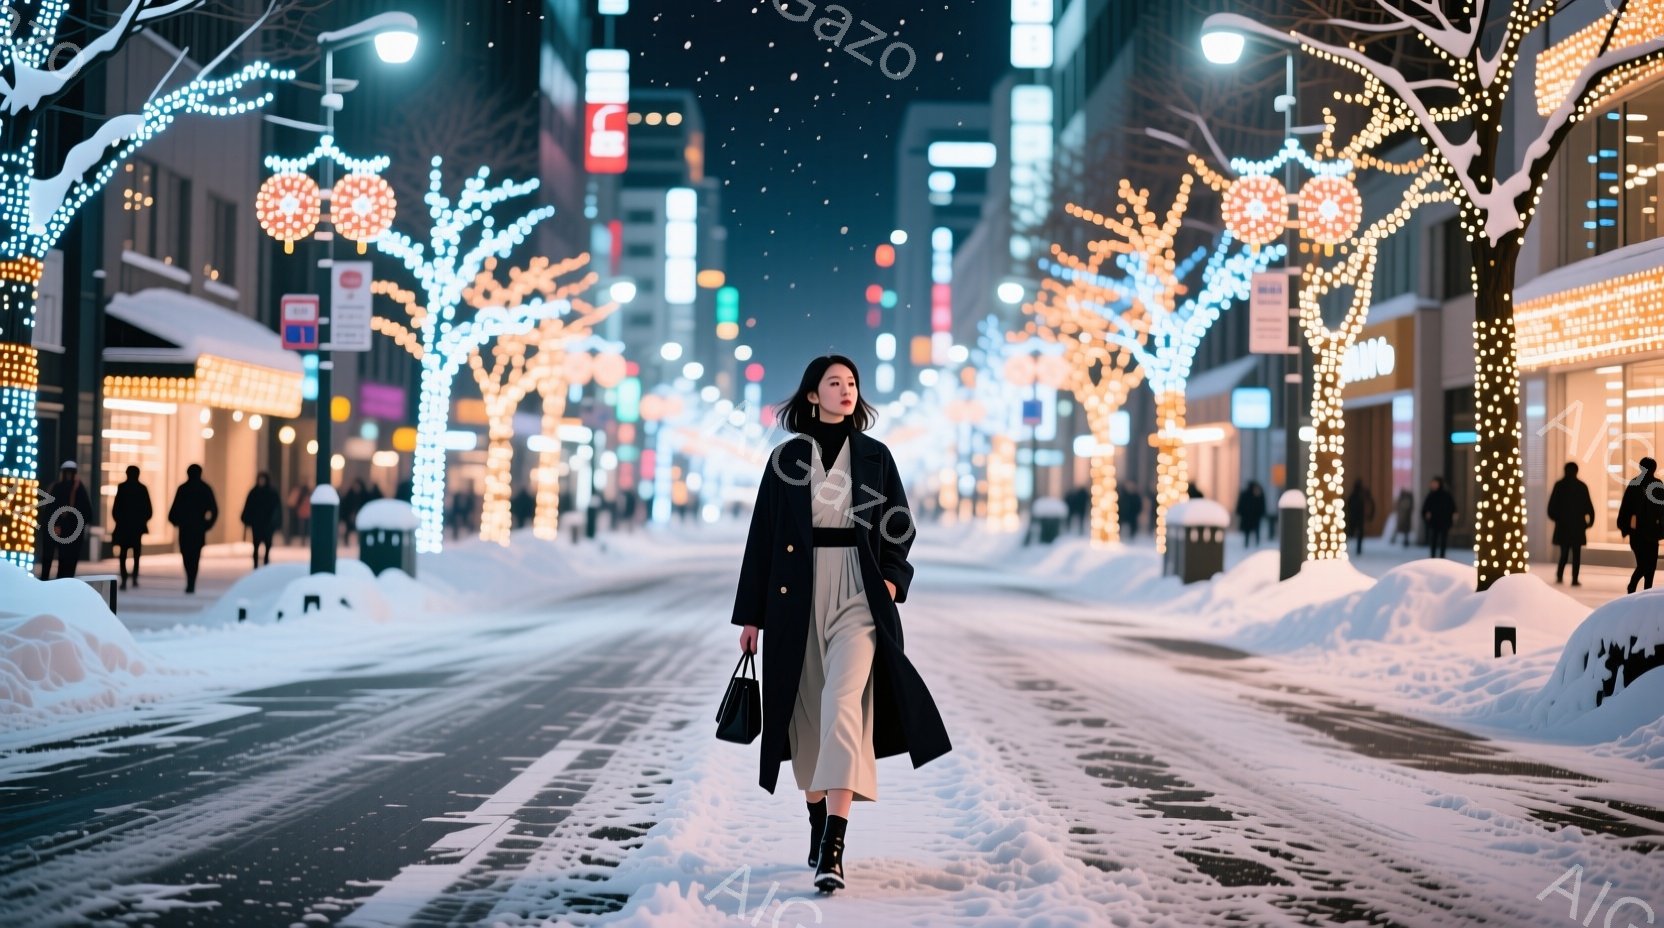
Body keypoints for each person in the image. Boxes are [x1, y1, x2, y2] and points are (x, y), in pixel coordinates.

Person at [731, 354, 950, 896]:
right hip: (797, 596)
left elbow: (899, 525)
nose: (846, 390)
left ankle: (834, 843)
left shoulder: (874, 456)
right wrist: (751, 615)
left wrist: (892, 580)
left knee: (843, 703)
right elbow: (762, 537)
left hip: (858, 591)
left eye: (851, 382)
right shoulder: (787, 459)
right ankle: (815, 819)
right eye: (834, 383)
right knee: (806, 716)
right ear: (813, 394)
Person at [39, 460, 93, 580]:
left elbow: (86, 513)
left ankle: (61, 582)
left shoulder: (78, 490)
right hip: (60, 530)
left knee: (67, 562)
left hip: (70, 532)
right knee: (51, 558)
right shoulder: (57, 487)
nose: (68, 476)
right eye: (66, 473)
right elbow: (49, 510)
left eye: (70, 473)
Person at [168, 464, 218, 594]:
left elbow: (174, 510)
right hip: (198, 529)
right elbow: (214, 509)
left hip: (186, 528)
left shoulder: (183, 489)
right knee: (194, 556)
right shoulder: (204, 489)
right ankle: (191, 580)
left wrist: (176, 521)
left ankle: (190, 580)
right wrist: (207, 524)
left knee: (186, 555)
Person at [1618, 456, 1664, 594]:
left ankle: (1634, 587)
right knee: (1649, 564)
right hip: (1652, 531)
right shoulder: (1657, 484)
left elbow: (1625, 508)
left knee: (1644, 563)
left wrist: (1625, 527)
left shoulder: (1634, 484)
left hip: (1637, 531)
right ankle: (1642, 589)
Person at [1547, 461, 1595, 586]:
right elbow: (1589, 506)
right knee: (1576, 554)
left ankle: (1560, 575)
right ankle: (1574, 579)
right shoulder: (1581, 486)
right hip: (1578, 526)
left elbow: (1551, 507)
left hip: (1563, 526)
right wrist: (1590, 522)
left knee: (1564, 553)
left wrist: (1558, 519)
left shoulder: (1559, 486)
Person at [110, 465, 153, 589]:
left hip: (124, 526)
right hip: (137, 527)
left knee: (123, 554)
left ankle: (124, 578)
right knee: (136, 553)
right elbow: (148, 510)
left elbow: (116, 508)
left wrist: (119, 520)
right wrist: (142, 521)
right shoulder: (142, 488)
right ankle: (134, 577)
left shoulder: (122, 487)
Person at [240, 471, 283, 570]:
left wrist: (276, 522)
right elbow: (248, 507)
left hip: (268, 525)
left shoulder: (272, 493)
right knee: (256, 545)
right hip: (257, 524)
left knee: (267, 545)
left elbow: (277, 509)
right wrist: (247, 519)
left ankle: (265, 565)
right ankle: (255, 566)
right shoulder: (254, 492)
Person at [1422, 476, 1457, 559]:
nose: (1433, 485)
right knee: (1433, 539)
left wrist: (1453, 515)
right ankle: (1433, 556)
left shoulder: (1446, 495)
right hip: (1434, 522)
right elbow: (1425, 508)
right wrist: (1426, 514)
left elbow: (1452, 507)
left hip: (1444, 521)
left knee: (1443, 539)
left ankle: (1442, 556)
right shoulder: (1431, 495)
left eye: (1435, 483)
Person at [1346, 481, 1377, 556]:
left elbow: (1349, 505)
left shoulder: (1354, 496)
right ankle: (1357, 550)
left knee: (1352, 533)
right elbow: (1370, 504)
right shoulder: (1360, 495)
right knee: (1356, 534)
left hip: (1355, 517)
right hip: (1358, 517)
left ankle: (1355, 549)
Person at [1236, 481, 1266, 547]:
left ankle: (1251, 543)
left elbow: (1241, 504)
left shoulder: (1254, 494)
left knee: (1250, 531)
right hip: (1252, 516)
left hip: (1250, 516)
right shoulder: (1256, 494)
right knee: (1254, 530)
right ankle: (1255, 543)